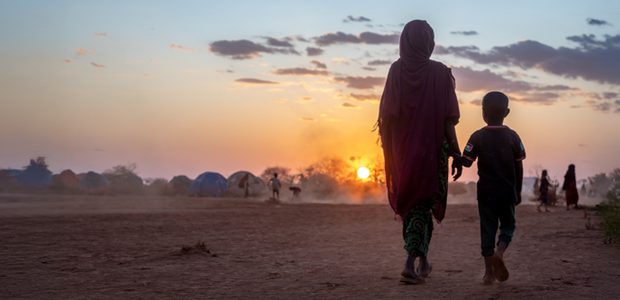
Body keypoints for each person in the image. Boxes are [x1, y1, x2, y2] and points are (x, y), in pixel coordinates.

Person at [377, 20, 462, 284]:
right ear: (429, 44)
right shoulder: (440, 73)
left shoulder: (395, 70)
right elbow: (449, 119)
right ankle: (409, 262)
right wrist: (456, 152)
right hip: (432, 151)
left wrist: (390, 153)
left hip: (402, 153)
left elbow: (386, 117)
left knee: (416, 206)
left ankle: (423, 260)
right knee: (422, 205)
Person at [453, 91, 525, 284]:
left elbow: (466, 162)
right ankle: (499, 252)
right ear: (507, 113)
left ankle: (489, 274)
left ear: (483, 112)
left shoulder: (477, 137)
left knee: (487, 230)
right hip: (507, 192)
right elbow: (519, 164)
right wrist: (517, 190)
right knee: (508, 226)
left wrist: (451, 153)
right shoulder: (513, 137)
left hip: (485, 193)